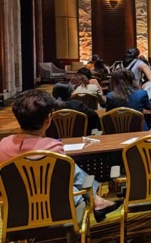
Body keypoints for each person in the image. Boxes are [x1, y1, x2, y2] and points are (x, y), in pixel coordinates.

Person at [0, 90, 121, 230]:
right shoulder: (52, 147)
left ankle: (97, 201)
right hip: (53, 207)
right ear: (48, 120)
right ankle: (95, 202)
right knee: (70, 180)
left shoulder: (3, 144)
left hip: (15, 208)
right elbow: (64, 181)